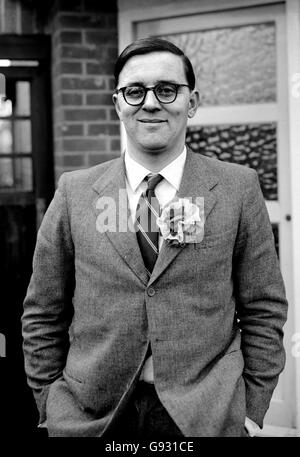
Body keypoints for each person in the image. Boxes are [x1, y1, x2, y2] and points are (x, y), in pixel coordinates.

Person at [22, 37, 288, 438]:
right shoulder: (74, 192)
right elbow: (43, 310)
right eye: (134, 91)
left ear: (192, 103)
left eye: (166, 89)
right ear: (118, 105)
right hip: (92, 416)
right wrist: (50, 405)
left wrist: (250, 410)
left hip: (206, 416)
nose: (150, 103)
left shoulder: (238, 188)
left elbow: (264, 307)